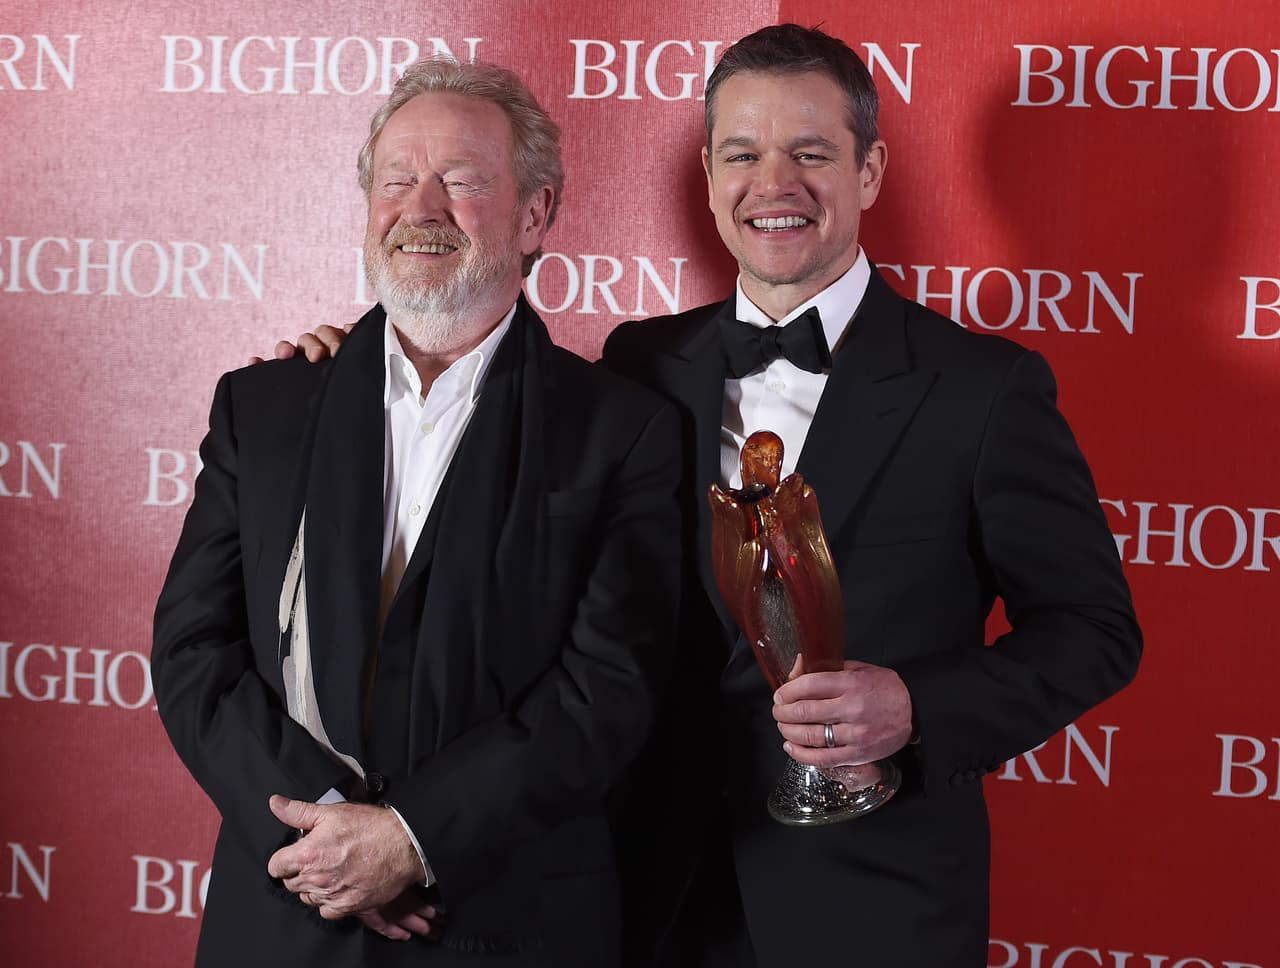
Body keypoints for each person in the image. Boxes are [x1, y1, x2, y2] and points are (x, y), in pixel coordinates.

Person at [278, 25, 1141, 967]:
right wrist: (350, 377)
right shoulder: (636, 366)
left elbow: (1095, 630)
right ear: (707, 175)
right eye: (742, 154)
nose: (775, 184)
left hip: (872, 907)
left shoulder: (982, 390)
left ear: (870, 172)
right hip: (644, 897)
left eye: (811, 153)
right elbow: (468, 440)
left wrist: (915, 707)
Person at [151, 57, 681, 968]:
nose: (421, 208)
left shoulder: (624, 430)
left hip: (506, 921)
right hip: (289, 910)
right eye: (397, 180)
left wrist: (412, 837)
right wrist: (323, 836)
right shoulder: (263, 406)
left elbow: (610, 687)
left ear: (535, 214)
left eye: (462, 181)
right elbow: (194, 651)